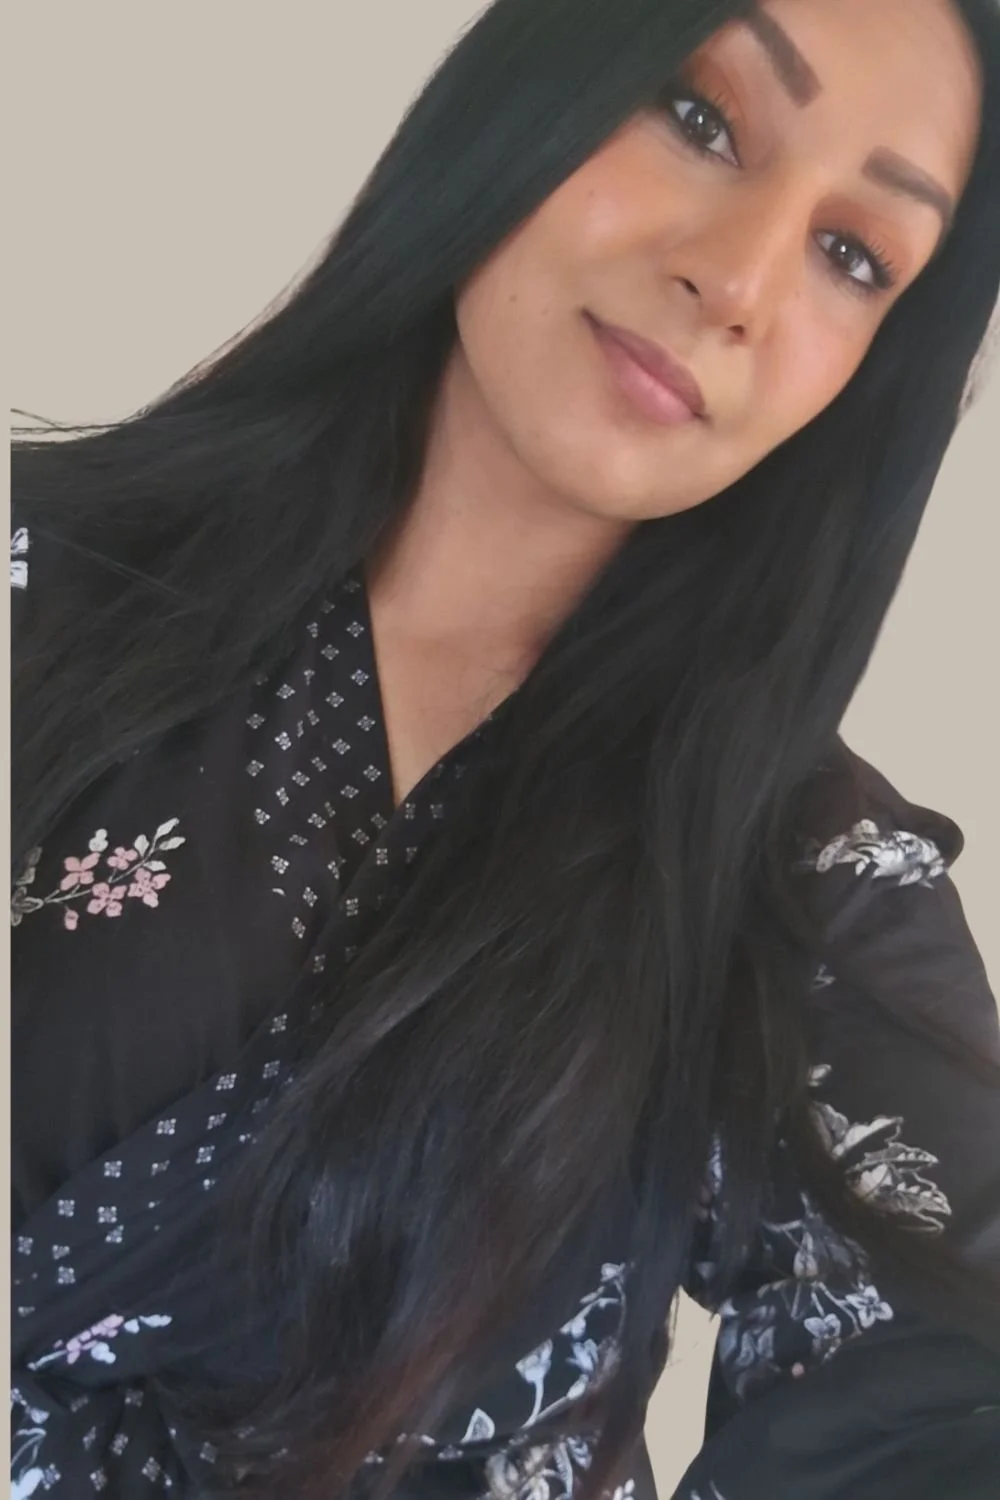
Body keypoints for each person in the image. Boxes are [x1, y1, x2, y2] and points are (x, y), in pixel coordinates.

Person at [10, 0, 1000, 1496]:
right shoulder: (43, 579)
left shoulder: (793, 879)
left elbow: (948, 1369)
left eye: (854, 257)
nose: (735, 280)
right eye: (703, 118)